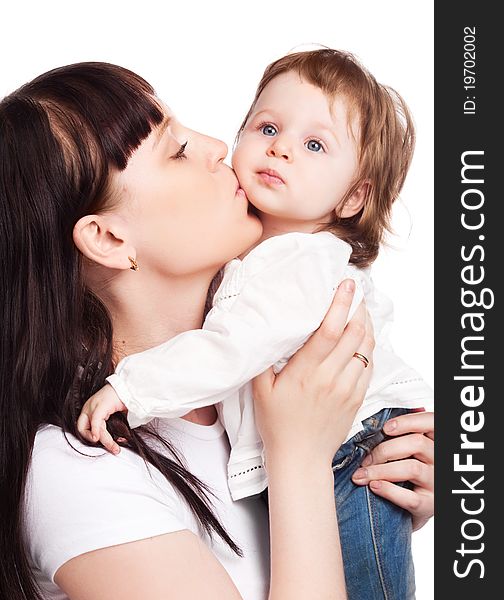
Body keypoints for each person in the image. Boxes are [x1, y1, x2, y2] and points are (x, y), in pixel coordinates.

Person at [0, 61, 433, 600]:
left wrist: (392, 485)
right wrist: (301, 458)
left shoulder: (259, 382)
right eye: (176, 150)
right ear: (110, 239)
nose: (216, 147)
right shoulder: (79, 468)